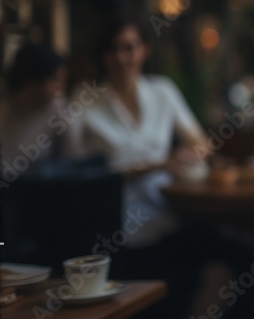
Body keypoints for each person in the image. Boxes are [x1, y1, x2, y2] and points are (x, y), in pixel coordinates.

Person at [65, 14, 208, 247]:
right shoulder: (84, 98)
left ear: (145, 50)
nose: (120, 58)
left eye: (129, 48)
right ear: (103, 55)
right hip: (113, 222)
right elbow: (80, 174)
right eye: (112, 50)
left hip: (169, 210)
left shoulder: (163, 91)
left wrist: (190, 154)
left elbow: (199, 141)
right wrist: (161, 164)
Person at [0, 43, 67, 171]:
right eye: (55, 79)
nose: (60, 87)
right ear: (33, 81)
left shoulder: (60, 114)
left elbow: (73, 169)